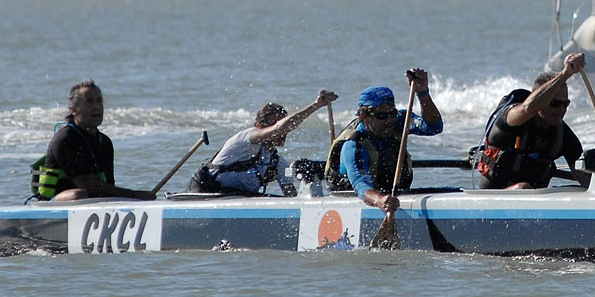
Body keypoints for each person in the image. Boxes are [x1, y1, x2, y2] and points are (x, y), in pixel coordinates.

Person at [330, 69, 443, 209]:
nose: (389, 120)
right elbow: (360, 184)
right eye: (381, 116)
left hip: (391, 196)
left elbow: (433, 127)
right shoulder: (354, 145)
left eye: (392, 113)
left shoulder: (400, 121)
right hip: (357, 199)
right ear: (364, 116)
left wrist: (422, 93)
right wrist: (379, 200)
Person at [190, 90, 338, 196]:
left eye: (283, 123)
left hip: (237, 201)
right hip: (207, 195)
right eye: (276, 123)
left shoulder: (276, 162)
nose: (284, 132)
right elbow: (279, 129)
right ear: (260, 126)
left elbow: (291, 197)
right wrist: (316, 105)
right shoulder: (246, 137)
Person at [478, 53, 588, 190]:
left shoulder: (562, 134)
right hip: (495, 194)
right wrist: (566, 74)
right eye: (555, 103)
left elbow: (586, 181)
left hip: (536, 197)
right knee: (523, 188)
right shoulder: (512, 117)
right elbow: (528, 108)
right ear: (540, 100)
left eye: (565, 104)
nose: (561, 109)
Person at [31, 81, 153, 201]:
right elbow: (88, 186)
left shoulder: (104, 142)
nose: (96, 106)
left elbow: (110, 187)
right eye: (89, 101)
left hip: (91, 202)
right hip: (52, 203)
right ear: (74, 110)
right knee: (78, 194)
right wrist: (135, 195)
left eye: (99, 101)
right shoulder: (65, 139)